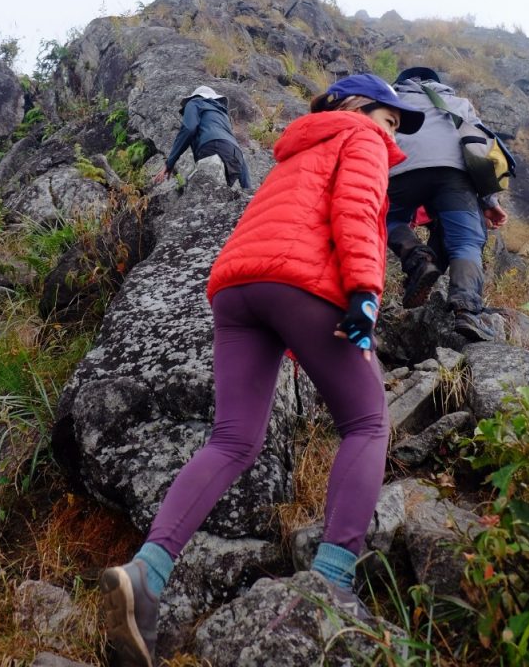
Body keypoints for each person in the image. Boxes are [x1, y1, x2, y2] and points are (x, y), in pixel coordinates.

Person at [101, 73, 424, 667]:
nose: (393, 127)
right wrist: (365, 291)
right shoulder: (362, 138)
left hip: (235, 288)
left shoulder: (297, 149)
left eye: (398, 122)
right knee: (367, 422)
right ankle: (331, 583)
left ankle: (147, 574)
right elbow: (353, 208)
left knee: (232, 440)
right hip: (302, 285)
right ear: (355, 105)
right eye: (390, 114)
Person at [386, 67, 508, 342]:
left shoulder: (390, 99)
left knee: (385, 218)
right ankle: (467, 310)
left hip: (401, 170)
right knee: (466, 241)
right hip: (454, 175)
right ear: (436, 83)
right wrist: (490, 201)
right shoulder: (459, 104)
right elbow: (481, 149)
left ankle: (418, 260)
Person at [153, 85, 252, 189]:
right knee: (218, 195)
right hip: (235, 158)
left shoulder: (195, 102)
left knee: (203, 191)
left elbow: (189, 129)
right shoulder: (223, 115)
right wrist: (248, 190)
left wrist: (169, 164)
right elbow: (239, 153)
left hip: (212, 147)